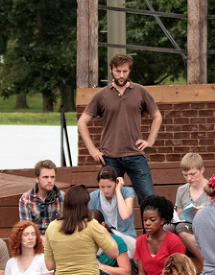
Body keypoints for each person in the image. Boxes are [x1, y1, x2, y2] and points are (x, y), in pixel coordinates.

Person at [78, 52, 162, 203]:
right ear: (111, 69)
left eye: (125, 71)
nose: (121, 75)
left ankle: (147, 227)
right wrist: (92, 149)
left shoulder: (141, 91)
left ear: (130, 70)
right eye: (118, 71)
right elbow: (82, 122)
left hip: (136, 154)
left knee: (149, 200)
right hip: (110, 157)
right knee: (110, 202)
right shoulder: (101, 95)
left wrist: (150, 140)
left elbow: (157, 116)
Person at [105, 195, 186, 275]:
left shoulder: (174, 242)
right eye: (145, 220)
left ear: (162, 221)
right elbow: (142, 273)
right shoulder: (141, 241)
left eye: (152, 220)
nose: (147, 223)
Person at [168, 152, 211, 269]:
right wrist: (175, 216)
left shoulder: (212, 188)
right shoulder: (182, 190)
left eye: (192, 174)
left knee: (181, 228)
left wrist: (206, 210)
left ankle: (208, 265)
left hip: (207, 228)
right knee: (166, 229)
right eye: (185, 175)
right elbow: (179, 214)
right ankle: (171, 270)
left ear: (202, 169)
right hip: (188, 225)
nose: (189, 178)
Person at [88, 165, 137, 239]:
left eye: (109, 186)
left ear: (115, 182)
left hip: (126, 237)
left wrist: (118, 190)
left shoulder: (127, 192)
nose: (106, 190)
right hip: (103, 238)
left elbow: (125, 215)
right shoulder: (93, 197)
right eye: (102, 187)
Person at [18, 159, 64, 235]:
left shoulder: (62, 198)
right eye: (45, 177)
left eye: (52, 177)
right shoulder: (26, 199)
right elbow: (26, 230)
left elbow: (66, 227)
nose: (50, 180)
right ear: (37, 179)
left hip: (56, 242)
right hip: (35, 243)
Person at [91, 209, 132, 275]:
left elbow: (126, 272)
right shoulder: (84, 242)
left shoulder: (117, 241)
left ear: (102, 225)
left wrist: (101, 267)